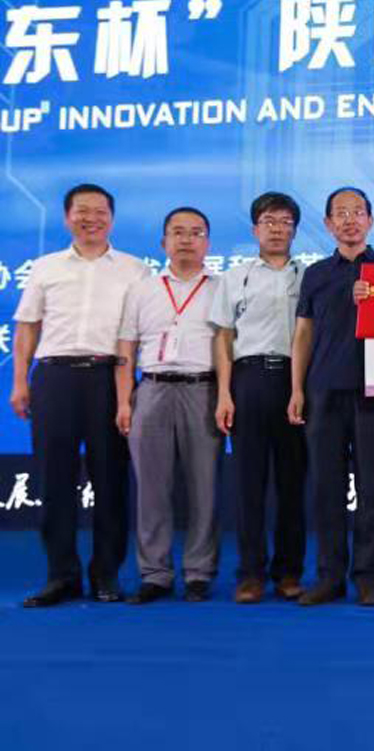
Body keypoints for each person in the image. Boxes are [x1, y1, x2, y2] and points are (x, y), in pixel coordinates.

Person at [11, 184, 148, 607]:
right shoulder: (45, 267)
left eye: (100, 211)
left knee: (111, 480)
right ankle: (61, 576)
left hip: (109, 378)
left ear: (112, 217)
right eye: (82, 211)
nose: (92, 218)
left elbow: (137, 336)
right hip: (55, 377)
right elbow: (28, 326)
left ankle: (106, 575)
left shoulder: (134, 270)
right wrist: (20, 381)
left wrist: (127, 394)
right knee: (55, 480)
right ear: (67, 216)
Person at [289, 187, 374, 607]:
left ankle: (369, 578)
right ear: (328, 224)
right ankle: (329, 577)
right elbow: (303, 334)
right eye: (340, 213)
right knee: (327, 489)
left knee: (372, 490)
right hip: (323, 391)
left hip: (373, 394)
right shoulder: (316, 274)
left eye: (358, 212)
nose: (349, 220)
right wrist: (296, 388)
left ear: (370, 221)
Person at [116, 207, 222, 604]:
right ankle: (155, 573)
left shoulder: (221, 287)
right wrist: (124, 400)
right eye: (178, 232)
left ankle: (199, 573)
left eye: (196, 232)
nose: (186, 240)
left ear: (207, 243)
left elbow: (228, 347)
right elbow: (125, 347)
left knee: (204, 488)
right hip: (152, 390)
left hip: (203, 390)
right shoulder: (142, 288)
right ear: (163, 242)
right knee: (151, 489)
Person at [209, 192, 307, 603]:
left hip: (295, 382)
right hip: (247, 379)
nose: (277, 229)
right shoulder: (234, 277)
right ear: (255, 229)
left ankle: (288, 573)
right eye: (269, 221)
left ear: (295, 230)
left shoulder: (309, 276)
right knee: (248, 484)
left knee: (292, 484)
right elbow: (223, 337)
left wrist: (301, 388)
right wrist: (224, 393)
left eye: (285, 222)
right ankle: (250, 574)